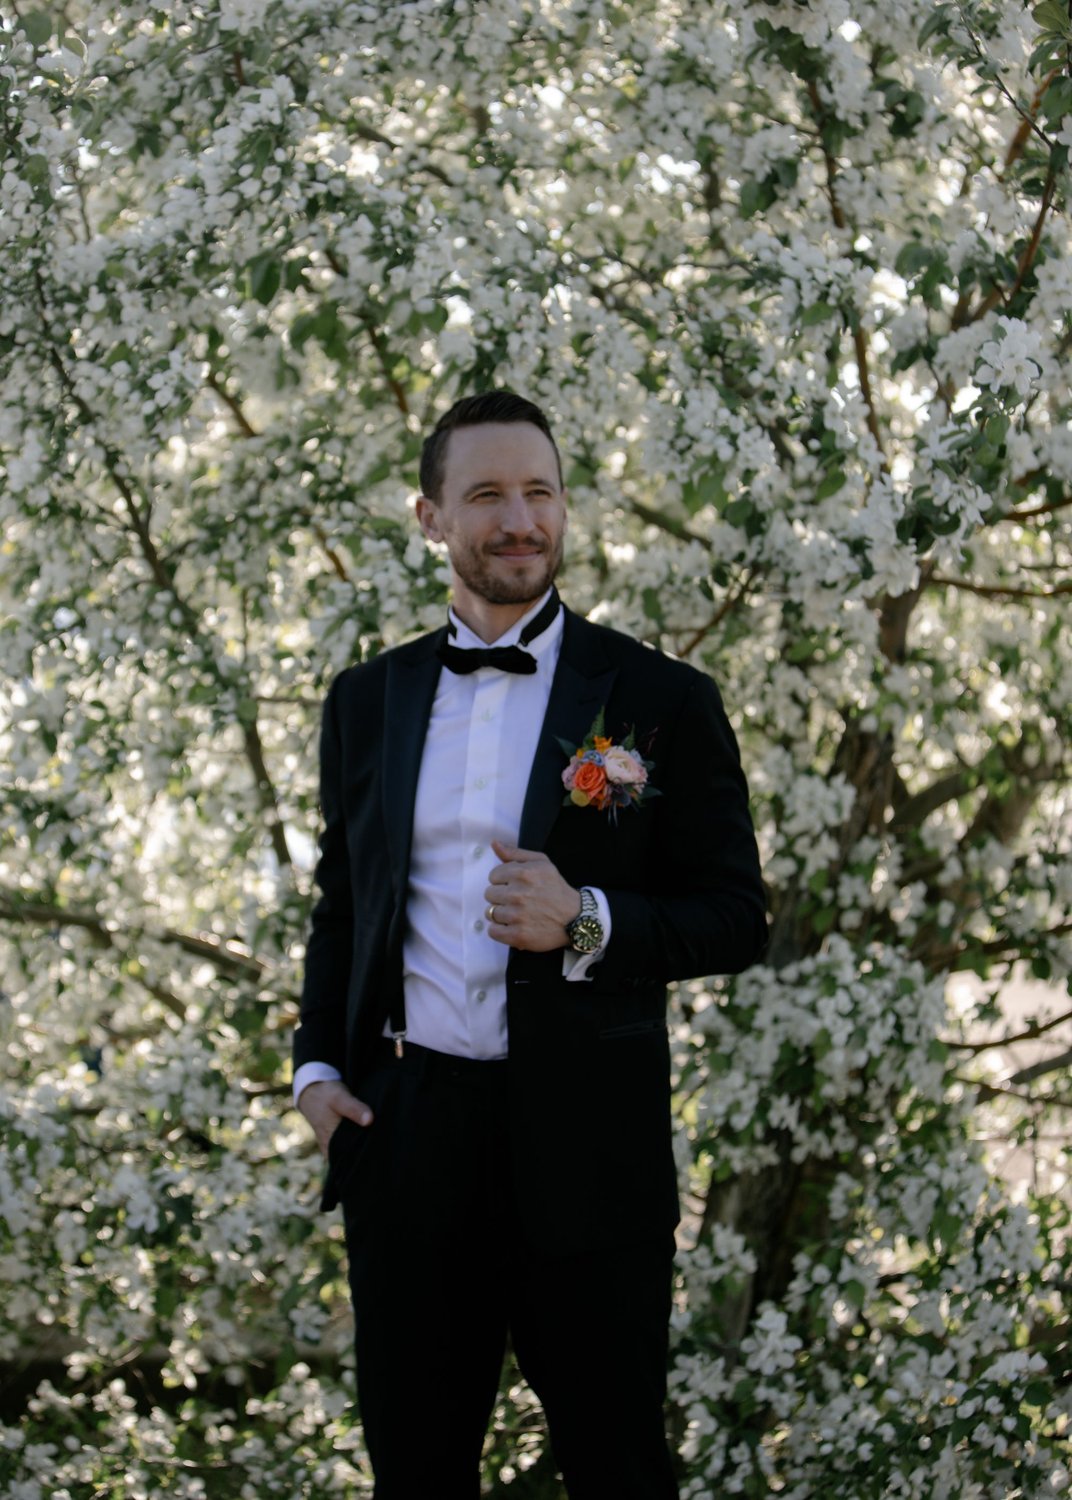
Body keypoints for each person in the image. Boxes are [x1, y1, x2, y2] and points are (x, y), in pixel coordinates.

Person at [293, 391, 766, 1500]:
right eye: (488, 496)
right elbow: (341, 905)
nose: (520, 521)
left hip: (590, 1149)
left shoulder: (659, 700)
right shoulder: (364, 700)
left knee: (617, 1470)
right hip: (406, 1138)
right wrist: (316, 1068)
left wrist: (586, 918)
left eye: (540, 493)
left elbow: (737, 916)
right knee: (415, 1475)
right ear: (431, 517)